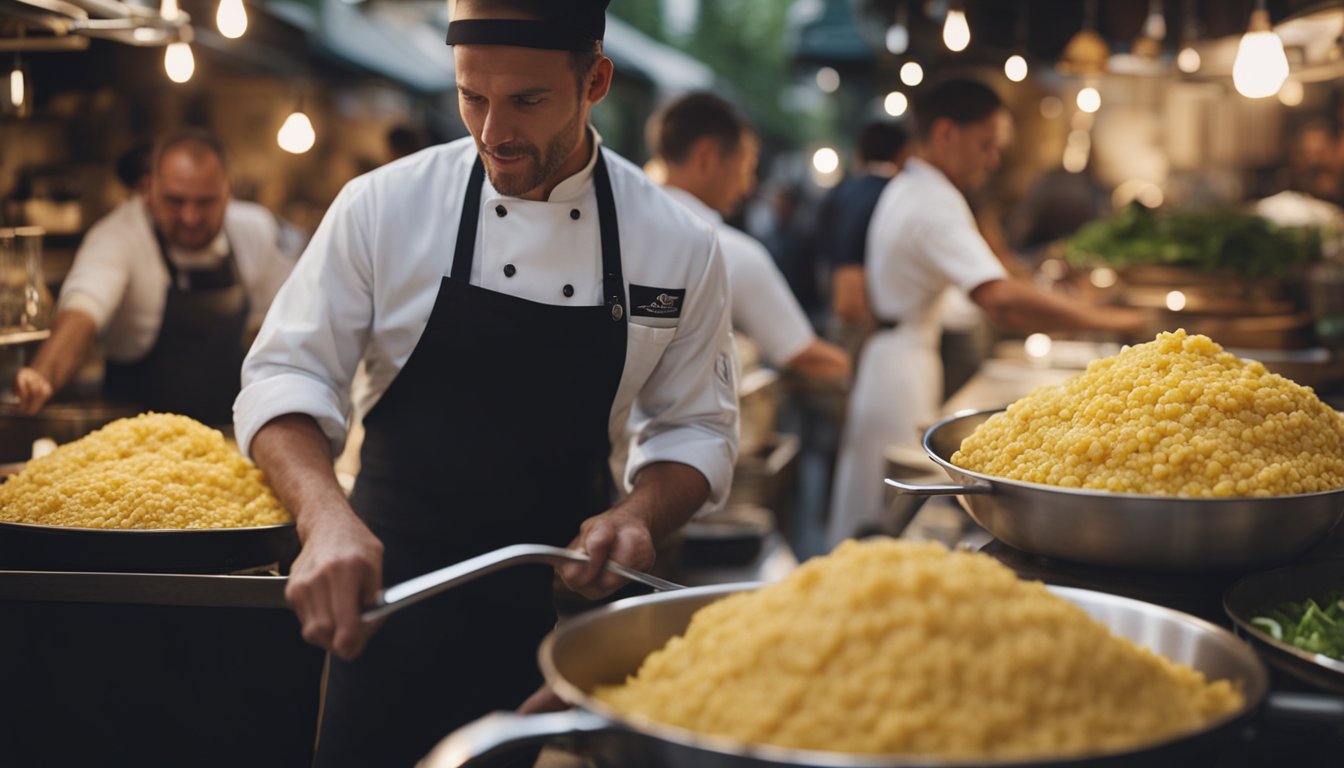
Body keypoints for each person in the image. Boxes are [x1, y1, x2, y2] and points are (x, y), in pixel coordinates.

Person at [232, 1, 738, 764]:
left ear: (594, 80)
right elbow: (283, 377)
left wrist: (638, 515)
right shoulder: (383, 208)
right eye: (473, 96)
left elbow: (696, 427)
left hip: (562, 624)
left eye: (528, 101)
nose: (493, 132)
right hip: (387, 607)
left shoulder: (677, 244)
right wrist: (323, 518)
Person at [827, 77, 1148, 547]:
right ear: (944, 134)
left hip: (898, 357)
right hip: (898, 367)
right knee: (888, 518)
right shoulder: (931, 201)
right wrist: (1111, 321)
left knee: (880, 507)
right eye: (985, 145)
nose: (992, 161)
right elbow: (998, 298)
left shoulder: (916, 188)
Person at [12, 128, 294, 426]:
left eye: (205, 202)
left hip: (226, 438)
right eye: (175, 201)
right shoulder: (119, 236)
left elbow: (283, 322)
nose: (190, 217)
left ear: (228, 191)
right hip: (134, 446)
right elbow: (83, 310)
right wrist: (41, 376)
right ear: (149, 189)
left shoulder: (254, 230)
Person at [651, 92, 850, 381]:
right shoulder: (729, 252)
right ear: (706, 157)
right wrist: (854, 367)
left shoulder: (618, 225)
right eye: (745, 168)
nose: (747, 187)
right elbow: (800, 352)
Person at [814, 120, 911, 356]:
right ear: (903, 154)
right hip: (875, 316)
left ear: (860, 153)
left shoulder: (839, 191)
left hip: (836, 306)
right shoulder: (900, 192)